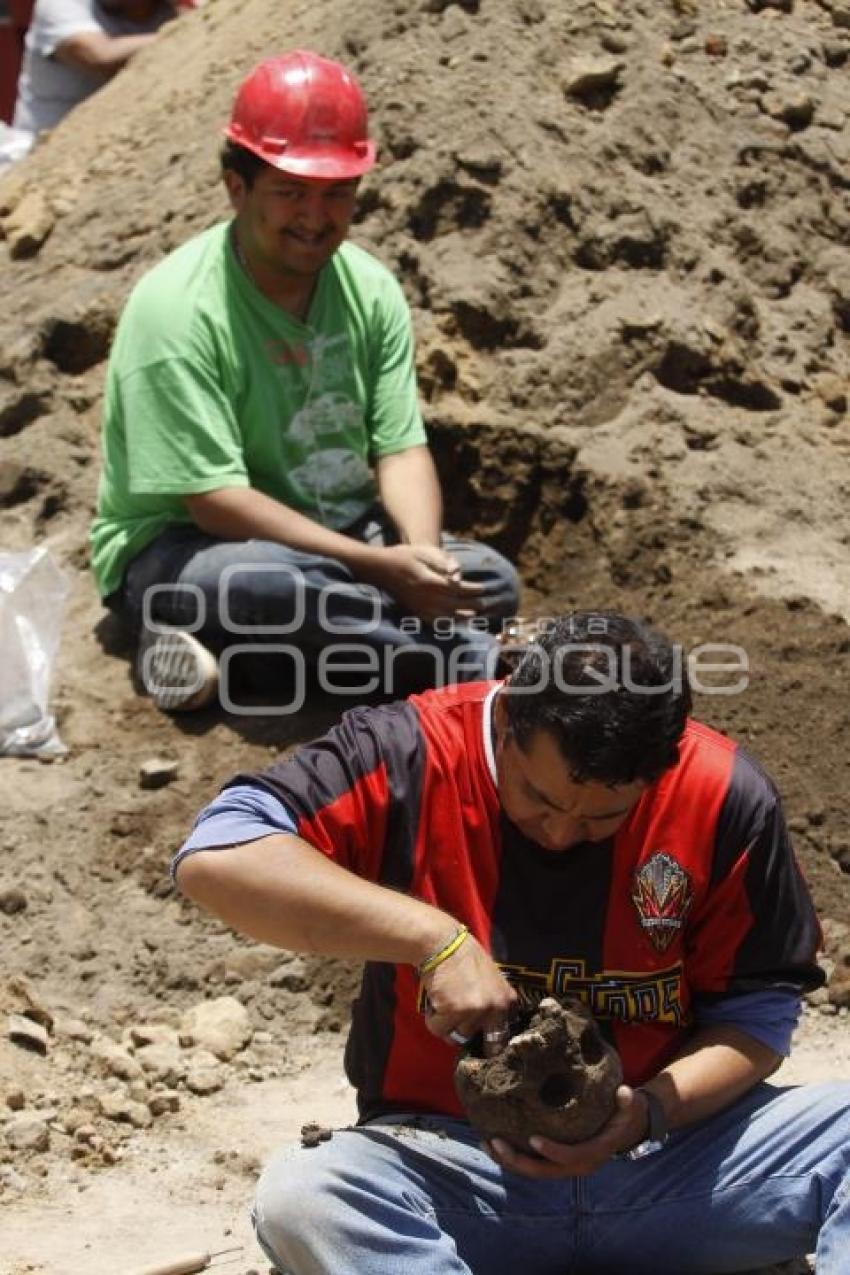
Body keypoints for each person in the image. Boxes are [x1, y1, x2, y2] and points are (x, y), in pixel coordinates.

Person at [174, 611, 850, 1274]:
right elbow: (217, 853)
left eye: (602, 816)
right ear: (505, 719)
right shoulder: (410, 751)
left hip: (666, 1168)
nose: (560, 832)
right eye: (539, 798)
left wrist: (649, 1112)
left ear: (659, 770)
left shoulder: (724, 794)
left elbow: (759, 1013)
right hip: (459, 1172)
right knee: (306, 1196)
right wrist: (434, 938)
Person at [90, 49, 520, 713]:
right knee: (267, 586)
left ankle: (231, 658)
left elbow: (400, 447)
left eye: (335, 193)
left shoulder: (370, 289)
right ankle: (469, 662)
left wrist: (425, 560)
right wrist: (381, 570)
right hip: (185, 548)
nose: (315, 218)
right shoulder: (175, 309)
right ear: (238, 187)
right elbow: (214, 500)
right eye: (290, 192)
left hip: (334, 532)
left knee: (490, 581)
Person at [2, 0, 171, 168]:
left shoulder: (171, 9)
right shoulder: (62, 4)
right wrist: (181, 32)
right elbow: (101, 57)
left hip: (125, 150)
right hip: (41, 158)